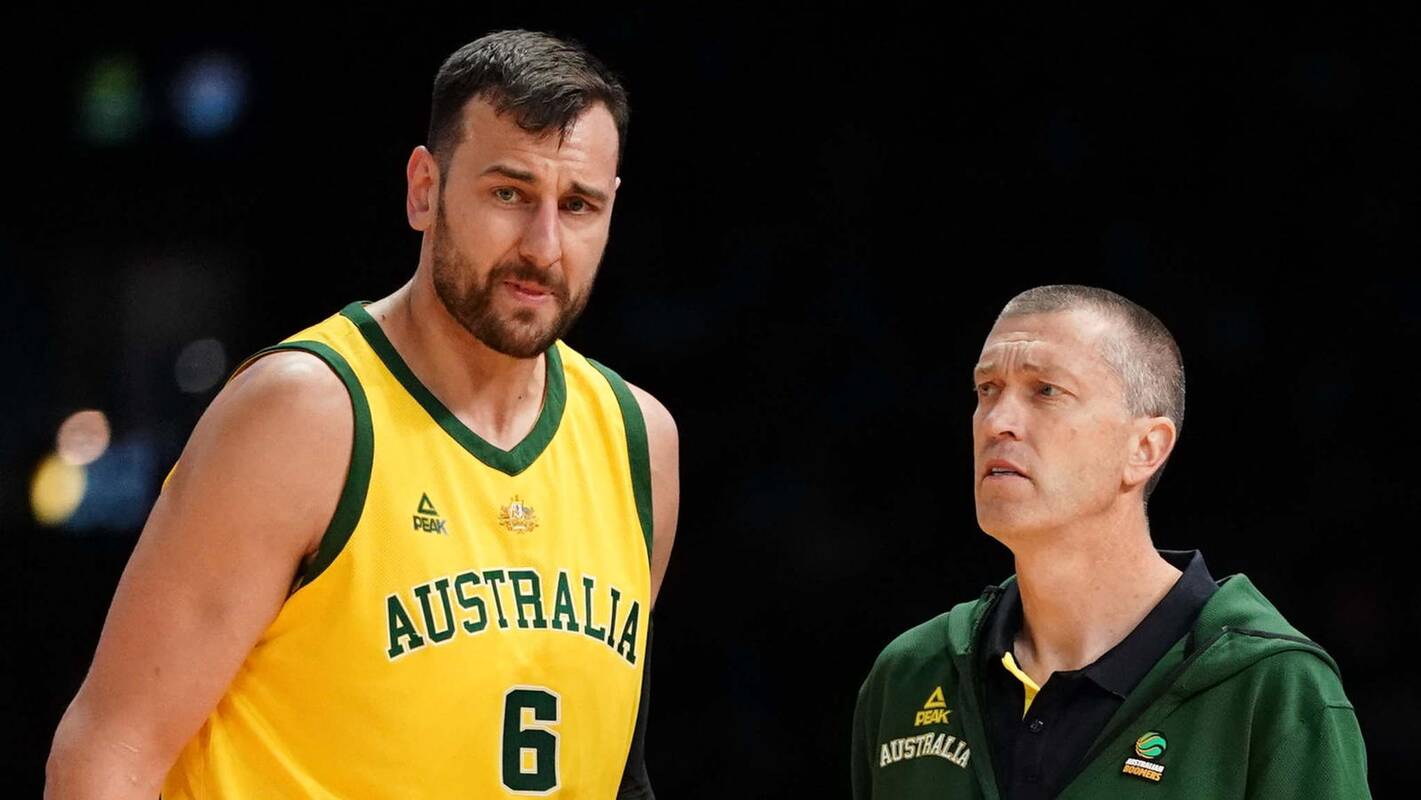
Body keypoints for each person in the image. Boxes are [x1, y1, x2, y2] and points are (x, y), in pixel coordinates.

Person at [46, 29, 678, 799]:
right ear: (424, 189)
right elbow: (107, 754)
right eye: (509, 194)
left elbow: (616, 772)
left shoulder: (638, 440)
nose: (543, 246)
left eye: (577, 205)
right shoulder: (305, 415)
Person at [851, 285, 1368, 799]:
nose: (997, 422)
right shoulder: (909, 675)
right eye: (986, 389)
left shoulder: (1274, 688)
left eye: (1045, 391)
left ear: (1145, 448)